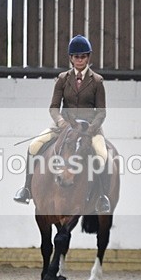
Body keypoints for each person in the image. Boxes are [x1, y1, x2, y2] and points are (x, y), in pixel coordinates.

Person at [13, 35, 111, 214]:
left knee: (102, 155)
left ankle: (102, 196)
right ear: (71, 58)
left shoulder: (97, 81)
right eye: (76, 56)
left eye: (83, 56)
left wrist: (91, 129)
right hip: (64, 127)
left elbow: (102, 112)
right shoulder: (62, 79)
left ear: (88, 57)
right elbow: (53, 107)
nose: (79, 60)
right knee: (33, 146)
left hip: (89, 129)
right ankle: (26, 189)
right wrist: (61, 122)